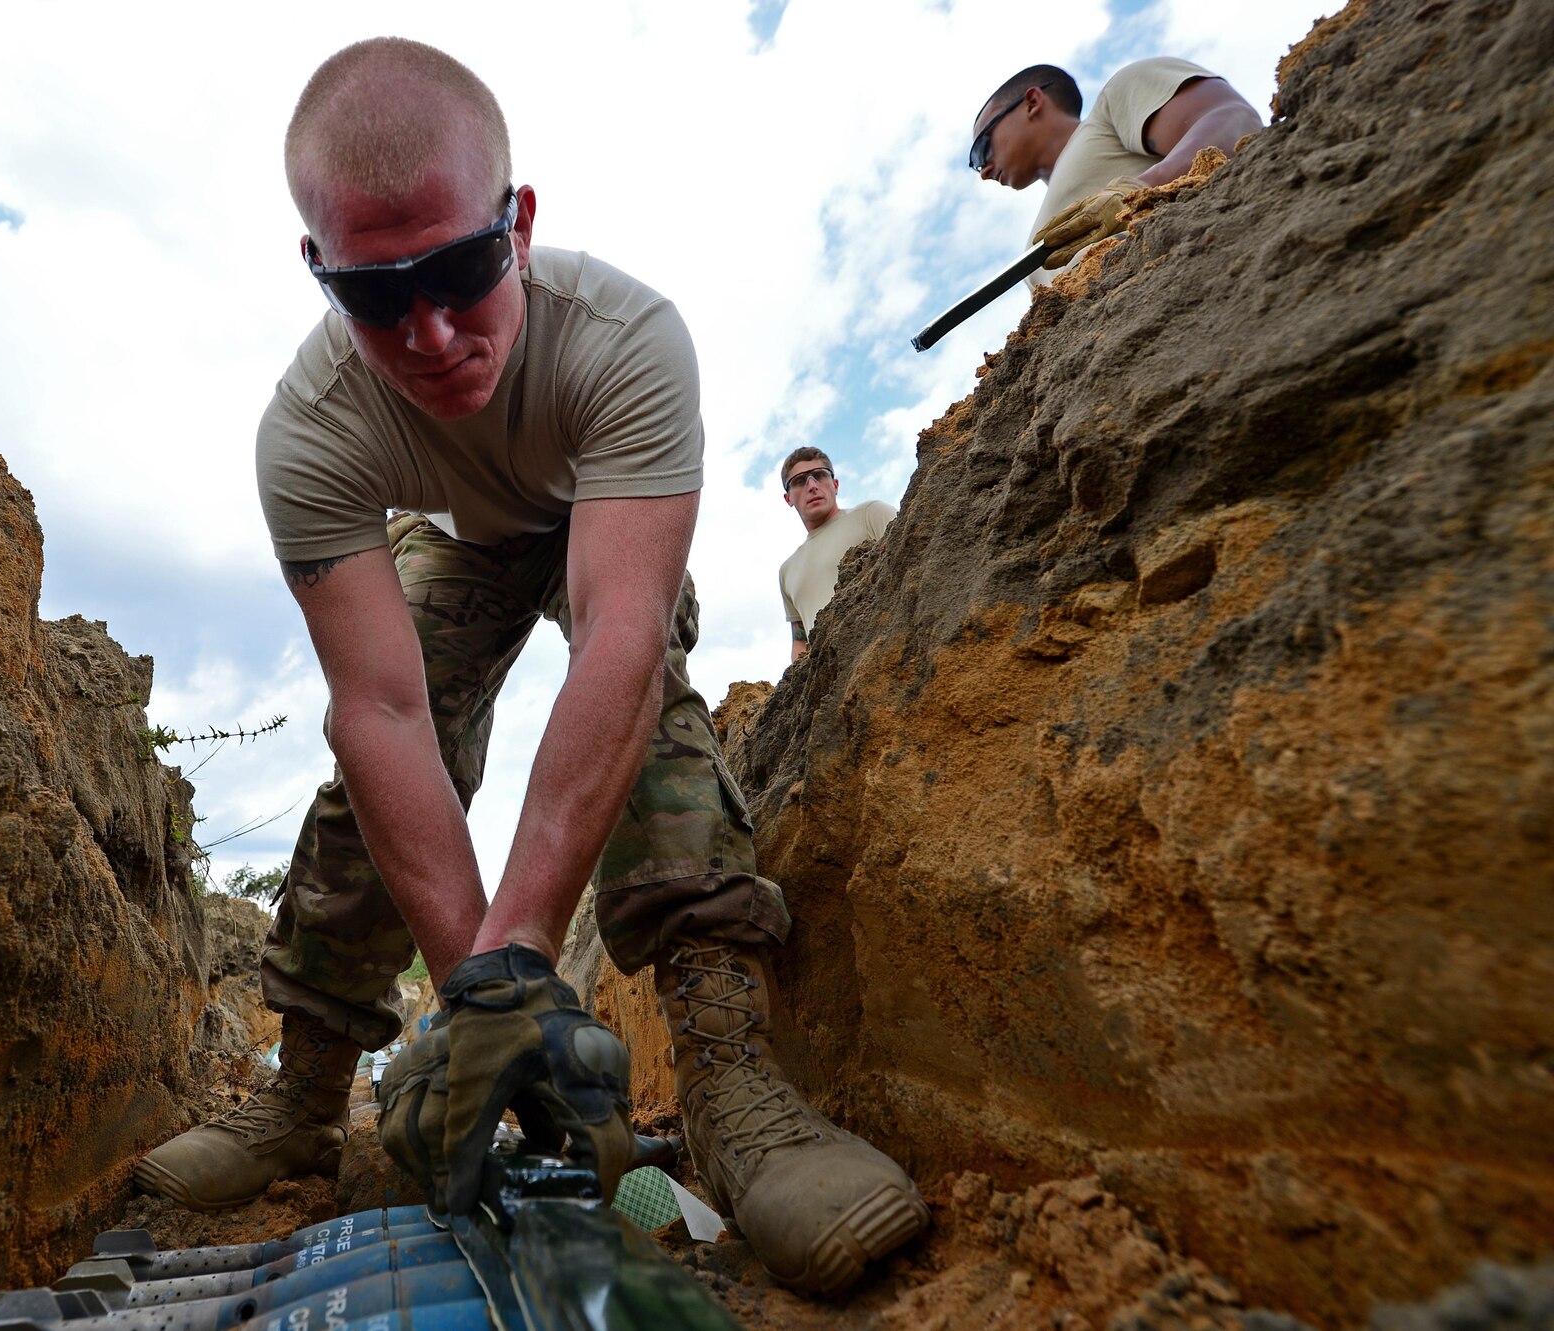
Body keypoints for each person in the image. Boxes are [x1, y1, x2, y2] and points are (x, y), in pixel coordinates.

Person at [134, 37, 929, 1297]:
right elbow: (382, 708)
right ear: (316, 270)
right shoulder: (308, 430)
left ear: (518, 220)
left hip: (592, 519)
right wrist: (483, 1005)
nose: (432, 332)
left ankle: (730, 1088)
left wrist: (521, 944)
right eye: (376, 296)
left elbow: (613, 632)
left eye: (460, 269)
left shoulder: (624, 341)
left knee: (650, 697)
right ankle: (302, 1100)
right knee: (378, 767)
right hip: (446, 539)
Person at [969, 59, 1263, 282]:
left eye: (982, 149)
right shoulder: (1033, 252)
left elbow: (1232, 117)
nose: (983, 170)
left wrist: (1135, 192)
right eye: (977, 164)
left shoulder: (1114, 101)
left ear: (1032, 102)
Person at [777, 447, 895, 662]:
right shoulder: (787, 570)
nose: (812, 486)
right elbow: (800, 642)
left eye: (820, 476)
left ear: (836, 485)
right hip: (833, 683)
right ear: (788, 498)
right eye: (800, 481)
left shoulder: (870, 515)